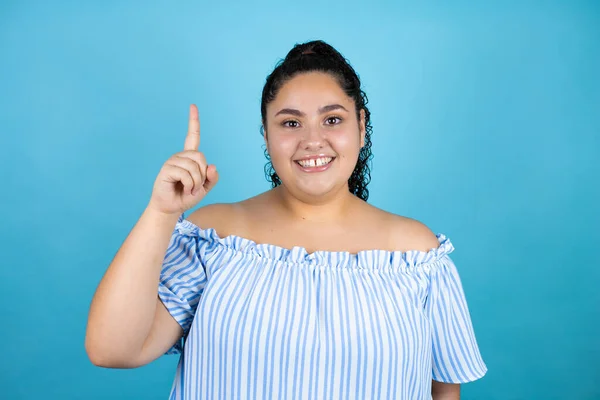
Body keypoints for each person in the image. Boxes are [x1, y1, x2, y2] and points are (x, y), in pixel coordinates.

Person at [85, 40, 487, 400]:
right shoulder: (214, 236)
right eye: (290, 123)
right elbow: (112, 349)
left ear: (361, 128)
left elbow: (443, 392)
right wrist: (161, 213)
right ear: (265, 134)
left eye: (332, 120)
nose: (313, 140)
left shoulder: (417, 256)